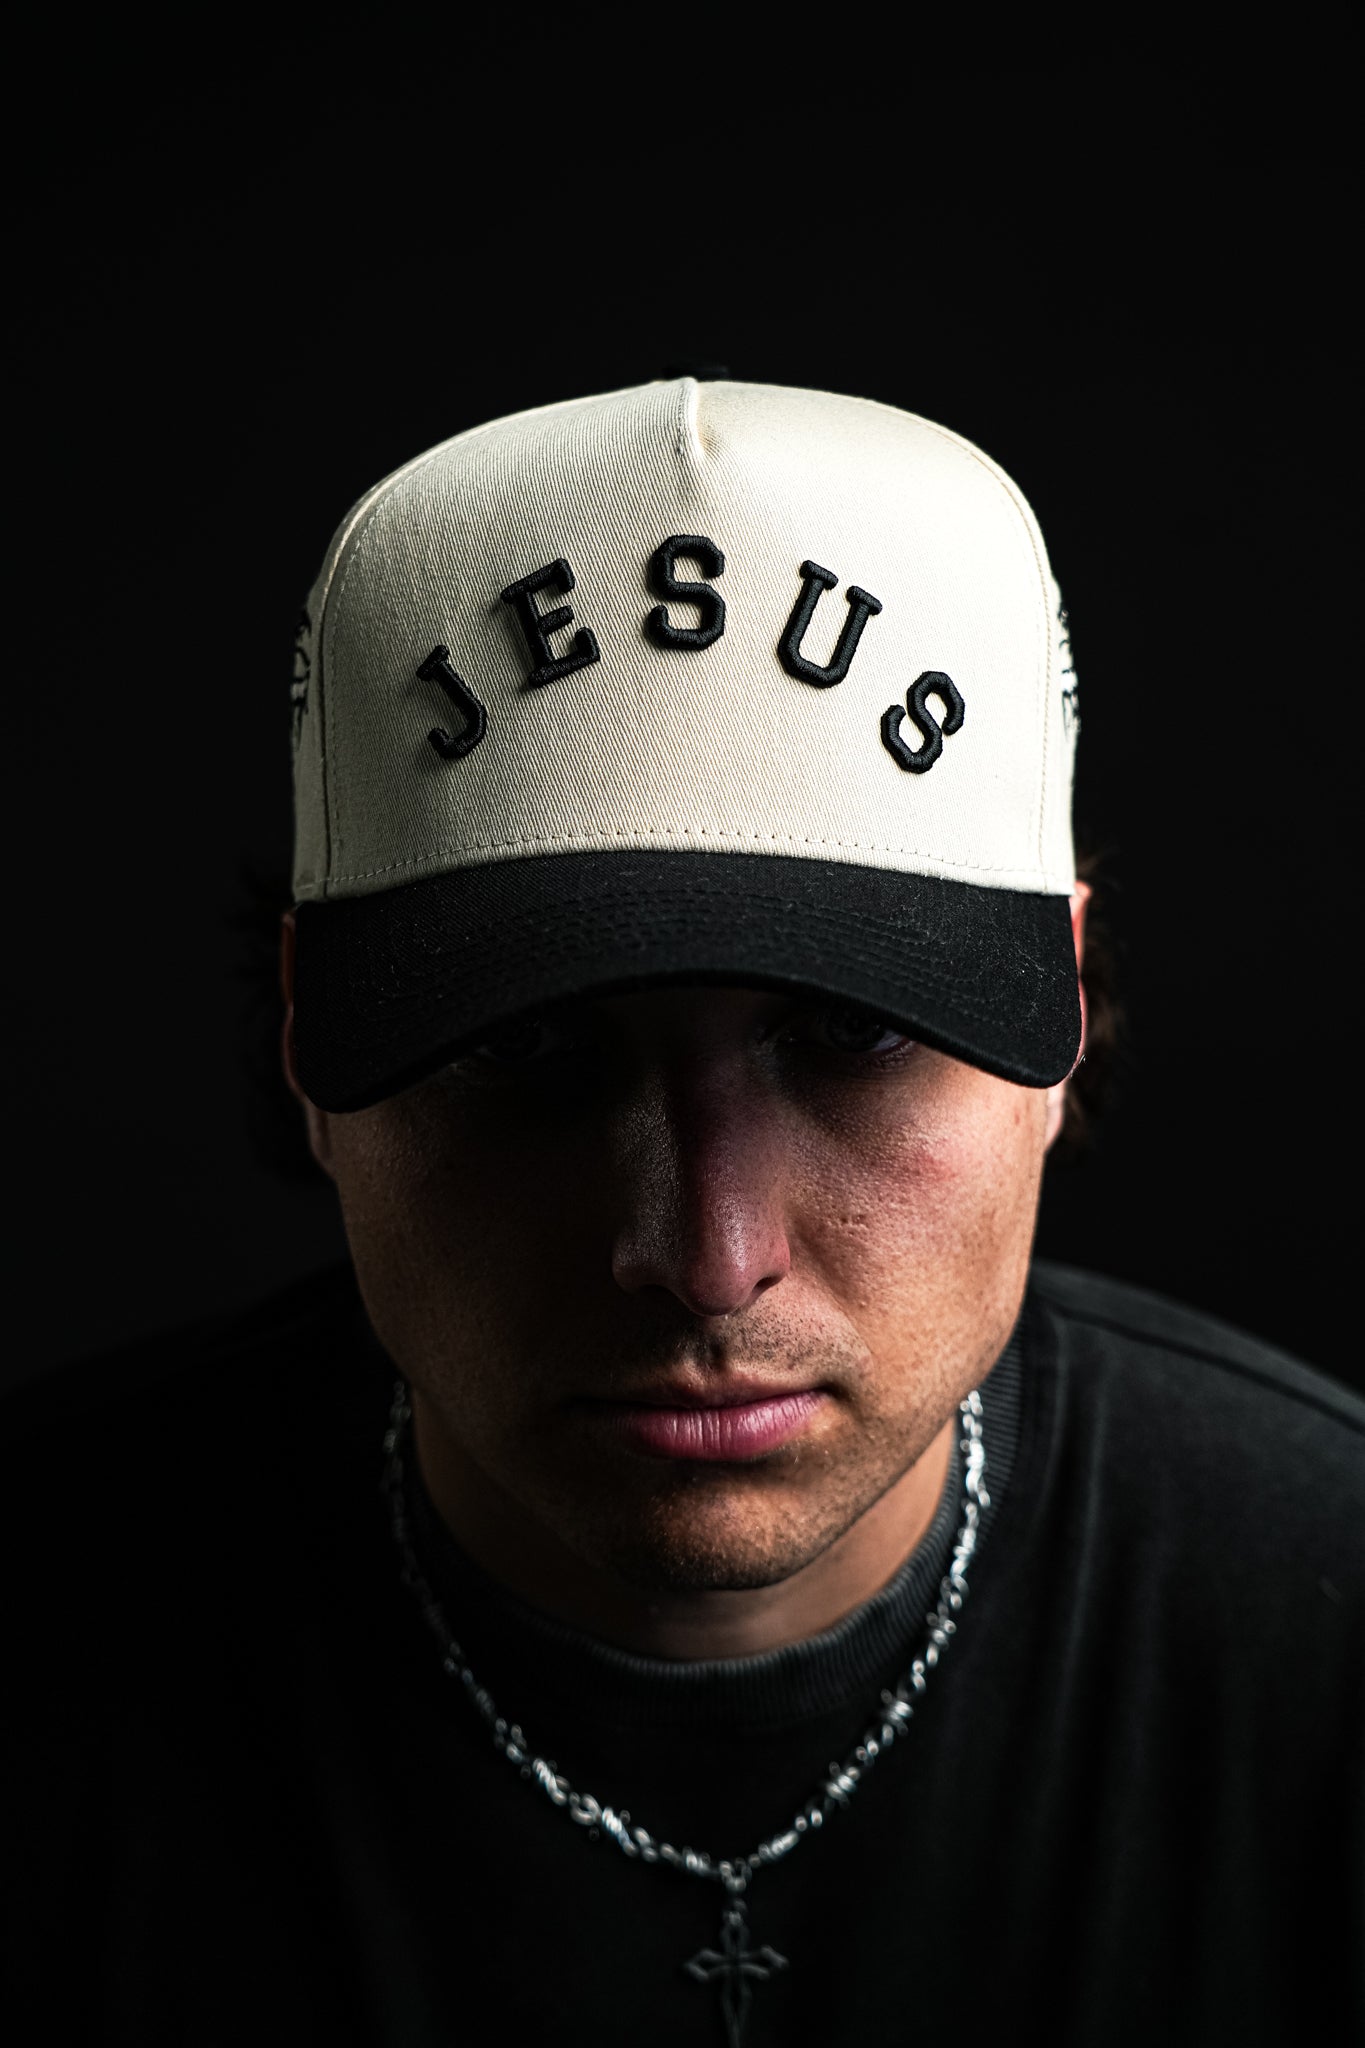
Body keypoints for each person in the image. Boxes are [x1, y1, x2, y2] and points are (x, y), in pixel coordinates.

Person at [6, 379, 1360, 2047]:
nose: (707, 1260)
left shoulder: (1324, 1624)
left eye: (850, 1034)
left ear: (1061, 1016)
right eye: (525, 1049)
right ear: (310, 1041)